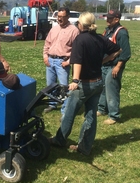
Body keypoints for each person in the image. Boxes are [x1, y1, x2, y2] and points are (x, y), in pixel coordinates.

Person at [49, 12, 121, 155]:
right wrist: (102, 61)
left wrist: (75, 80)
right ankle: (85, 147)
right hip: (98, 83)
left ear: (81, 24)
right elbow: (118, 50)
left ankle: (59, 139)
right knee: (91, 115)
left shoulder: (80, 39)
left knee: (69, 113)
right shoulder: (101, 38)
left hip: (84, 85)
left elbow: (77, 61)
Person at [43, 7, 79, 117]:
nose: (59, 19)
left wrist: (69, 61)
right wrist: (45, 56)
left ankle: (65, 111)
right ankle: (52, 103)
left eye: (62, 17)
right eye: (58, 16)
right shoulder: (54, 29)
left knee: (64, 88)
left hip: (62, 62)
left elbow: (77, 49)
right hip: (50, 60)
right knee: (50, 85)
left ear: (68, 17)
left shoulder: (74, 30)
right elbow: (47, 43)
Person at [97, 10, 131, 125]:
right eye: (107, 18)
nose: (107, 20)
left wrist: (118, 66)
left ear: (117, 19)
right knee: (102, 88)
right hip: (104, 65)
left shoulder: (121, 33)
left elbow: (125, 53)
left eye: (110, 18)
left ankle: (114, 115)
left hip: (114, 65)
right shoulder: (107, 31)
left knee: (112, 90)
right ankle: (102, 109)